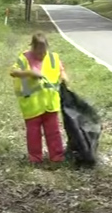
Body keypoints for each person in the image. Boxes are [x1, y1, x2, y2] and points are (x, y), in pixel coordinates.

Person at [10, 33, 69, 163]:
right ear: (32, 48)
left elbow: (61, 69)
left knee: (53, 132)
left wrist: (64, 77)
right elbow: (13, 72)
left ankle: (57, 157)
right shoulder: (24, 58)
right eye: (38, 52)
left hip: (50, 104)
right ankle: (35, 158)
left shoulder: (53, 58)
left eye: (43, 52)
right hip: (32, 105)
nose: (41, 55)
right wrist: (29, 73)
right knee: (33, 134)